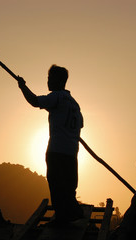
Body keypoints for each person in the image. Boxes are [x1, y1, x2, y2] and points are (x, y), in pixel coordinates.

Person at [17, 64, 84, 225]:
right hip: (72, 152)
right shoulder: (74, 104)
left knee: (56, 184)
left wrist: (22, 87)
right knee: (68, 186)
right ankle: (71, 213)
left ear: (59, 80)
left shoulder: (56, 96)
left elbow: (35, 101)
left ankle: (63, 217)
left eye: (50, 78)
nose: (48, 81)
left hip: (57, 150)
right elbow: (79, 125)